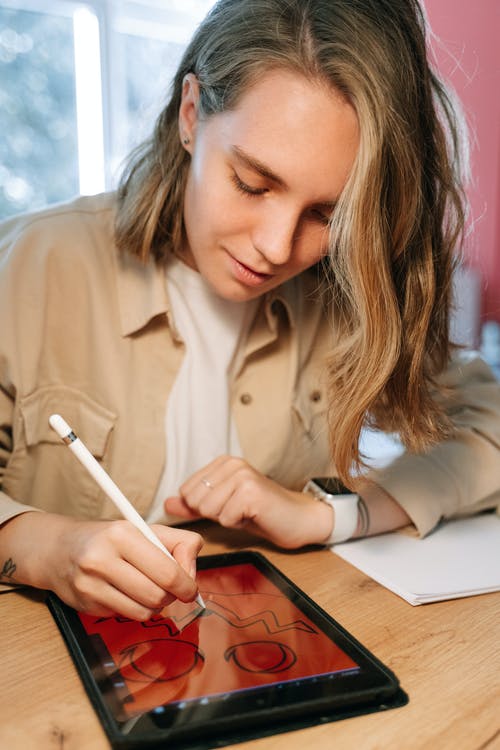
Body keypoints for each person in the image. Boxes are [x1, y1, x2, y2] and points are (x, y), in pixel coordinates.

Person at [1, 0, 499, 621]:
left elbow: (489, 423)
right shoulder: (29, 266)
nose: (276, 247)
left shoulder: (344, 291)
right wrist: (44, 545)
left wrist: (331, 515)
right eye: (253, 184)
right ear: (191, 115)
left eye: (326, 215)